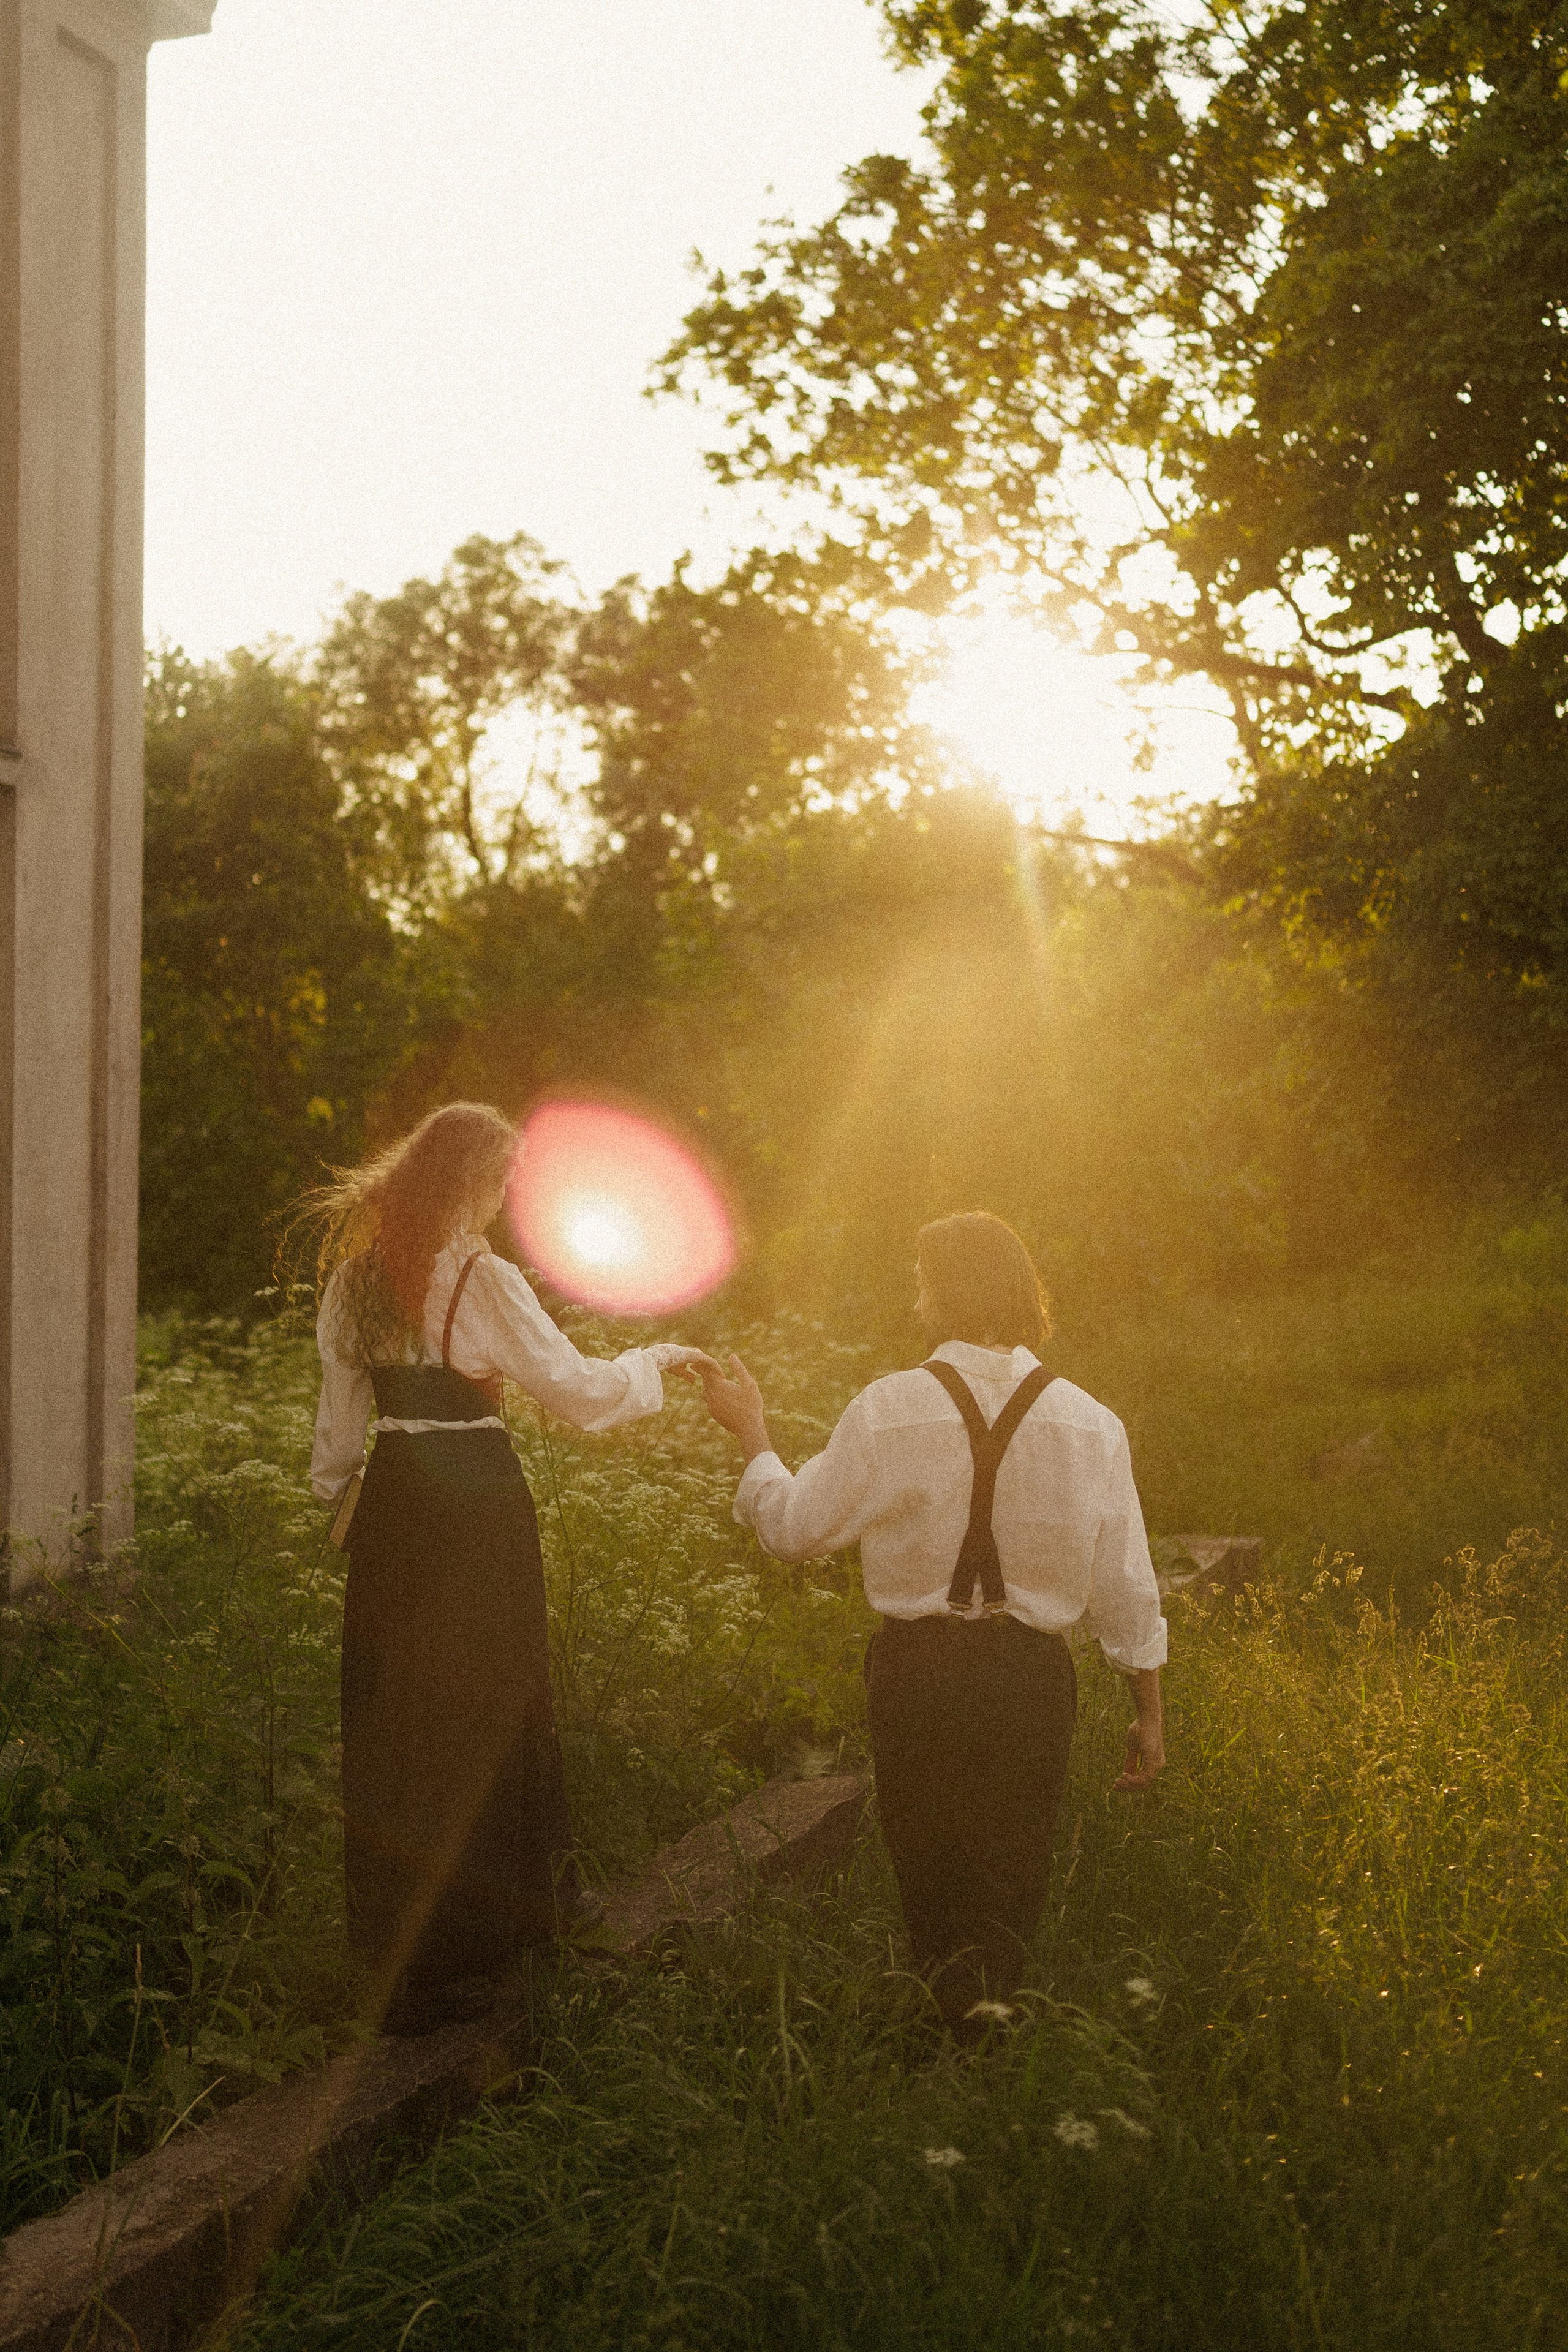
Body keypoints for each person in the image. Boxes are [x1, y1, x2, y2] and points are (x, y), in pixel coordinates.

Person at [303, 1101, 715, 2035]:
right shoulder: (483, 1280)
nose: (502, 1200)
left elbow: (334, 1446)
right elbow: (578, 1394)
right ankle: (489, 1937)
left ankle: (402, 1954)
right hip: (478, 1503)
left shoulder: (352, 1287)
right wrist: (657, 1359)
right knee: (489, 1707)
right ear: (472, 1182)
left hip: (399, 1504)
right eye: (500, 1182)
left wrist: (349, 1504)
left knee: (398, 1716)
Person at [698, 1212, 1166, 2032]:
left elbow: (792, 1531)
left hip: (919, 1674)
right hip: (1029, 1678)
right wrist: (1147, 1711)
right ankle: (985, 2046)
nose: (915, 1293)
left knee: (929, 1868)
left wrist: (753, 1434)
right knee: (1010, 1873)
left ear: (941, 1292)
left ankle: (943, 2043)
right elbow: (1125, 1584)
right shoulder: (1091, 1424)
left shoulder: (891, 1409)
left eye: (921, 1277)